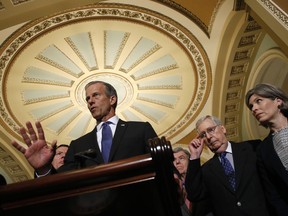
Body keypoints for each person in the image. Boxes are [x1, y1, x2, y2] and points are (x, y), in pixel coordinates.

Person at [11, 80, 163, 215]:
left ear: (112, 99)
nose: (90, 101)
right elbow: (61, 185)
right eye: (87, 98)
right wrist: (43, 169)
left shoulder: (140, 129)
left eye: (96, 95)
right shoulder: (78, 144)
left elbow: (162, 164)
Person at [185, 115, 269, 216]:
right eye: (203, 135)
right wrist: (195, 156)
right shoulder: (207, 169)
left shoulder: (251, 148)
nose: (208, 137)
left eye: (211, 130)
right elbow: (194, 194)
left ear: (223, 129)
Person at [245, 83, 288, 216]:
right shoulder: (263, 150)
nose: (254, 109)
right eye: (251, 106)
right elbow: (273, 194)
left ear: (278, 101)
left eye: (258, 101)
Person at [173, 147, 213, 216]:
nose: (177, 162)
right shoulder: (172, 186)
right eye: (174, 160)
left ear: (189, 161)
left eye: (181, 158)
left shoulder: (203, 177)